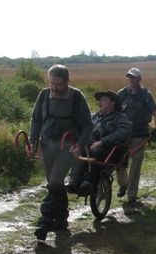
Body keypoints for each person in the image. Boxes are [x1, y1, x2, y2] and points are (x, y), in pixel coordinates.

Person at [28, 64, 93, 241]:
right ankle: (62, 220)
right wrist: (32, 141)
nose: (54, 88)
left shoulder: (77, 97)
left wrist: (80, 144)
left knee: (55, 181)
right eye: (51, 83)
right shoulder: (43, 95)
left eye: (58, 84)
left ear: (67, 82)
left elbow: (88, 125)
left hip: (67, 148)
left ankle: (45, 223)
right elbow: (36, 120)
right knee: (54, 185)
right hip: (47, 146)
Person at [67, 91, 132, 195]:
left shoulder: (120, 117)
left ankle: (88, 183)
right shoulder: (94, 117)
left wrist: (102, 141)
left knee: (95, 153)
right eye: (100, 100)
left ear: (112, 103)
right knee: (80, 151)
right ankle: (74, 182)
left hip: (112, 150)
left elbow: (123, 132)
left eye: (104, 100)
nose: (100, 103)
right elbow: (83, 128)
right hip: (91, 148)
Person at [117, 67, 156, 204]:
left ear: (139, 79)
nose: (131, 79)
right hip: (123, 134)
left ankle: (131, 195)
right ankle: (124, 184)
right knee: (119, 163)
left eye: (134, 77)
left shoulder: (146, 95)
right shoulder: (121, 94)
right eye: (129, 77)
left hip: (140, 135)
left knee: (135, 165)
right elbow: (113, 112)